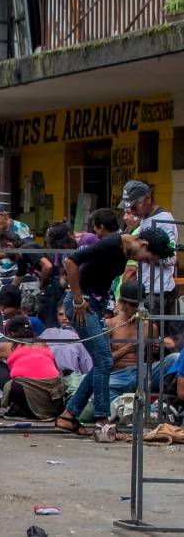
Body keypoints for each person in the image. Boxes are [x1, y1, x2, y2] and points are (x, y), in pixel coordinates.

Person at [55, 226, 174, 442]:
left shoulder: (125, 252)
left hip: (95, 306)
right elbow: (71, 261)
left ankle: (69, 416)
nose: (145, 262)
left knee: (103, 361)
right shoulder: (112, 244)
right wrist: (78, 298)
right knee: (104, 360)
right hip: (82, 305)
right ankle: (102, 422)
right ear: (143, 244)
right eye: (148, 258)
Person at [106, 281, 179, 404]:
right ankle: (129, 407)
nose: (137, 309)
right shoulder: (110, 325)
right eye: (133, 305)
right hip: (118, 375)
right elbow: (103, 362)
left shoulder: (148, 326)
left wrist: (156, 350)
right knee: (96, 391)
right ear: (122, 303)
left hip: (143, 373)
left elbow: (155, 359)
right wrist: (128, 348)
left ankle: (166, 404)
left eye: (140, 305)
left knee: (176, 358)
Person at [0, 316, 64, 420]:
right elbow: (56, 370)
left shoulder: (7, 345)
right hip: (54, 402)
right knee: (21, 379)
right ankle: (17, 406)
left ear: (12, 334)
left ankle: (13, 407)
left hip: (29, 398)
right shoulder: (42, 343)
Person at [121, 180, 179, 315]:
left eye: (135, 206)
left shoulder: (163, 220)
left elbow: (171, 258)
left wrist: (146, 256)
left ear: (148, 198)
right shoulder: (144, 219)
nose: (133, 211)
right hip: (145, 290)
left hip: (159, 292)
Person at [39, 302, 93, 375]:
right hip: (49, 378)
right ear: (57, 316)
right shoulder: (48, 334)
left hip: (74, 380)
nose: (64, 318)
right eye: (60, 314)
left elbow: (87, 367)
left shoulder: (82, 335)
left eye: (67, 314)